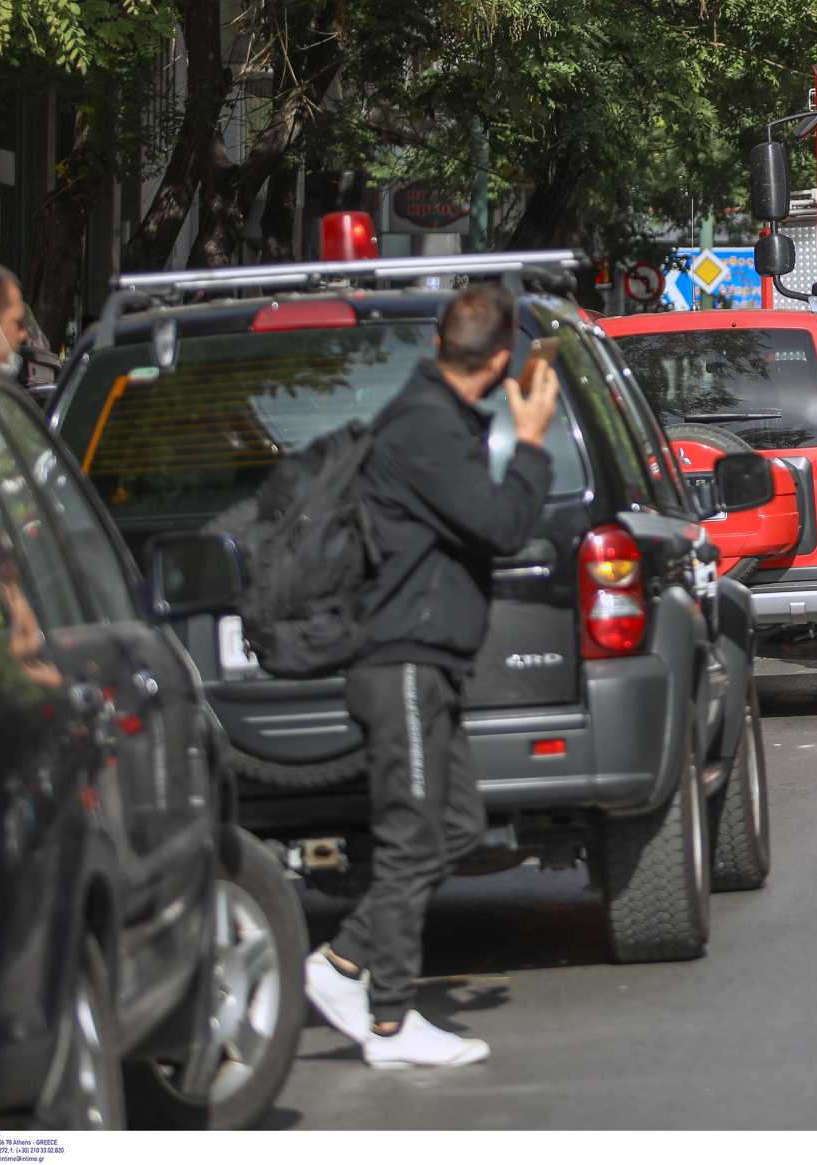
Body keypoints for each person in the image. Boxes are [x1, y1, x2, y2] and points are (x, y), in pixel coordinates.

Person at [303, 281, 561, 1071]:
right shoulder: (421, 428)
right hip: (402, 663)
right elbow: (504, 523)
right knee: (413, 833)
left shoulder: (438, 417)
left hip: (427, 661)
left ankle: (343, 962)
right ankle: (388, 1020)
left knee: (452, 825)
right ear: (502, 355)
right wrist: (531, 440)